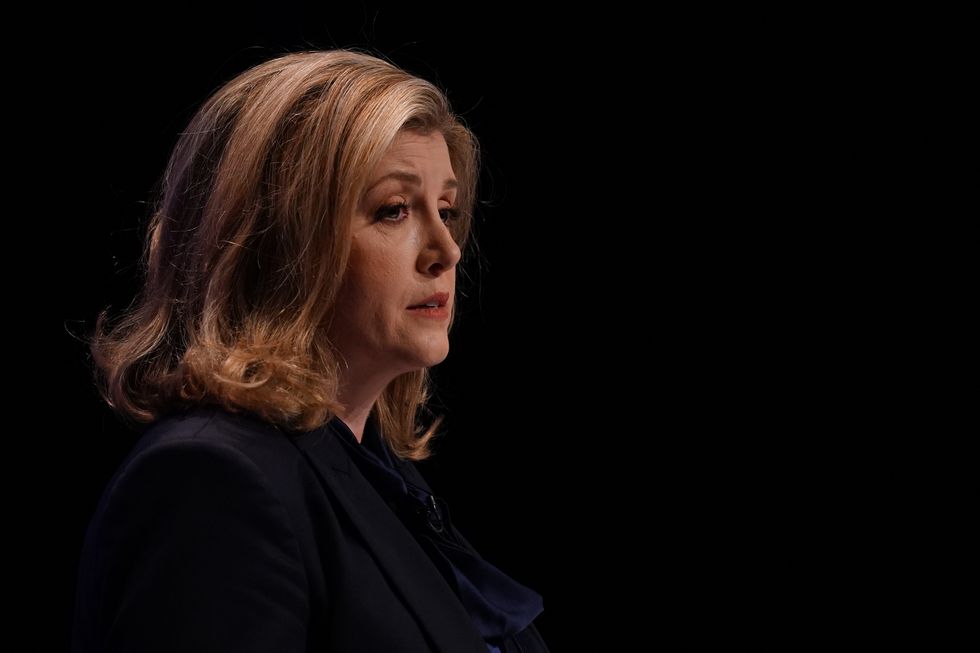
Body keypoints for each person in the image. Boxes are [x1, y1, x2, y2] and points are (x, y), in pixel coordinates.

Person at [71, 50, 549, 653]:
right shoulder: (210, 481)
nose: (446, 250)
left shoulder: (377, 478)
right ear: (279, 244)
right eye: (394, 210)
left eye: (447, 211)